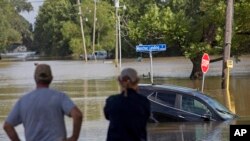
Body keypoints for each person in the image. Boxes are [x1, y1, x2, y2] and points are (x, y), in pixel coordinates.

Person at [3, 64, 83, 141]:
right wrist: (74, 137)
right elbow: (77, 115)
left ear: (35, 78)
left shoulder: (23, 100)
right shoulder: (60, 97)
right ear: (51, 78)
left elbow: (7, 126)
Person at [104, 68, 150, 141]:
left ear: (119, 80)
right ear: (137, 80)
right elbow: (145, 118)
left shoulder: (111, 101)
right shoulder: (143, 101)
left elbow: (108, 116)